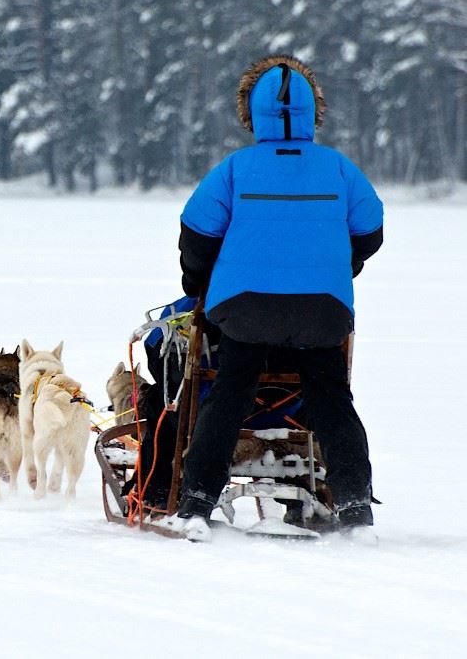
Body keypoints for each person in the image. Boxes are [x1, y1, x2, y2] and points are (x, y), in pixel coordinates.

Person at [164, 55, 383, 542]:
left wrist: (196, 284)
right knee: (332, 400)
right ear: (313, 112)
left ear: (251, 114)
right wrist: (342, 267)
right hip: (323, 310)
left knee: (228, 394)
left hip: (243, 308)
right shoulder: (340, 169)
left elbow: (196, 234)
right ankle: (354, 509)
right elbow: (369, 231)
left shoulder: (235, 169)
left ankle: (196, 502)